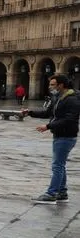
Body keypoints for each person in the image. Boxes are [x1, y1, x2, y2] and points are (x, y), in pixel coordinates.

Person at [22, 74, 79, 204]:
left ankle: (51, 194)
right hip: (60, 134)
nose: (50, 87)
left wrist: (48, 126)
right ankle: (62, 193)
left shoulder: (72, 99)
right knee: (60, 165)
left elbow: (69, 120)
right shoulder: (57, 98)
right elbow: (47, 113)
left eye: (53, 84)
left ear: (61, 85)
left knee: (57, 165)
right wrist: (30, 112)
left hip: (67, 136)